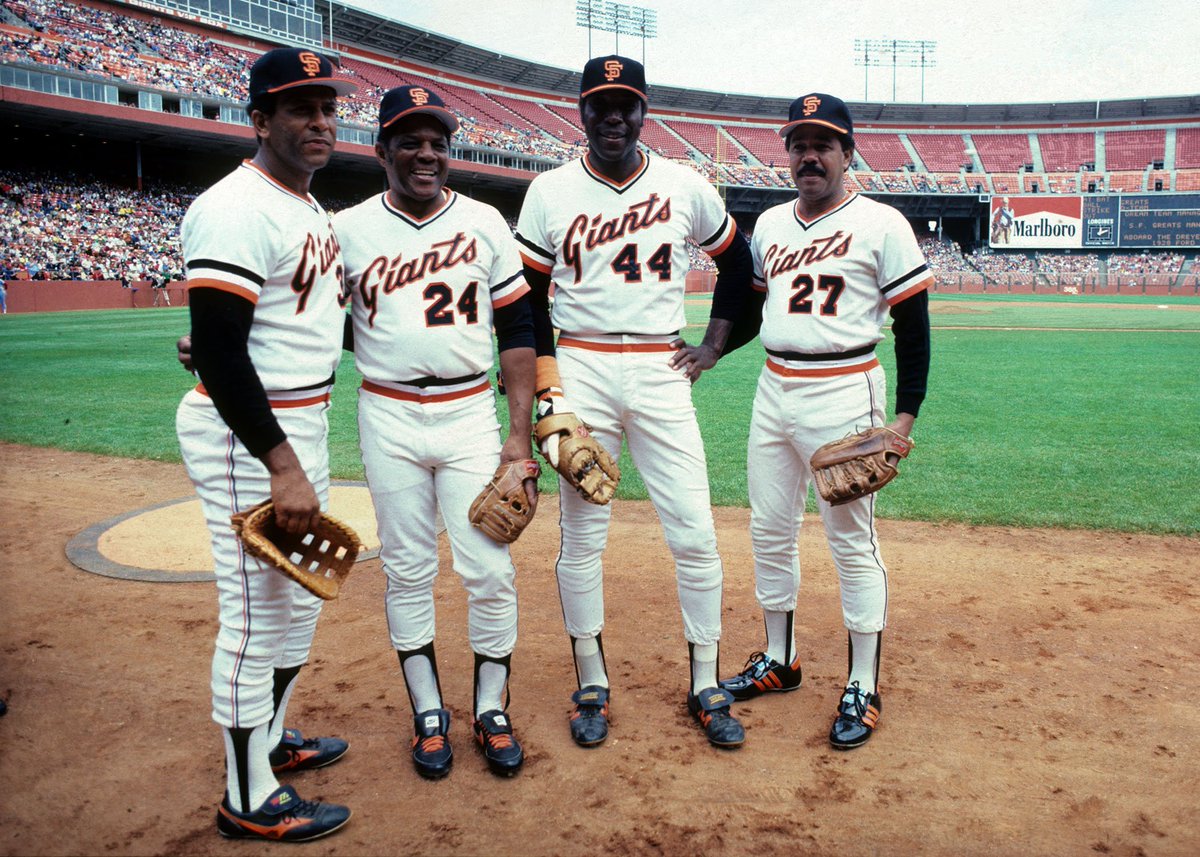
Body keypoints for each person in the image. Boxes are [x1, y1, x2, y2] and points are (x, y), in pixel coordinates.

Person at [515, 55, 757, 749]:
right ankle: (590, 679)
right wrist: (549, 384)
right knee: (582, 534)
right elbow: (528, 296)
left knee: (694, 531)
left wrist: (713, 344)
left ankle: (705, 679)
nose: (613, 115)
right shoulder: (551, 191)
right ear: (582, 111)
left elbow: (737, 265)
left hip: (659, 365)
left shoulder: (686, 184)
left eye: (625, 104)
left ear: (644, 109)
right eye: (600, 104)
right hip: (582, 363)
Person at [173, 47, 358, 841]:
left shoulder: (307, 206)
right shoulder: (237, 205)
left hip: (295, 419)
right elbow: (218, 349)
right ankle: (247, 796)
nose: (318, 121)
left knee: (296, 602)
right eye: (298, 109)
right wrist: (281, 465)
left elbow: (262, 326)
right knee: (254, 614)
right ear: (259, 121)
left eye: (326, 108)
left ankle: (272, 739)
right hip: (245, 435)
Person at [711, 93, 932, 750]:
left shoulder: (882, 223)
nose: (809, 155)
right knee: (769, 529)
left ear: (847, 153)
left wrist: (902, 420)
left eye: (823, 144)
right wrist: (712, 347)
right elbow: (756, 312)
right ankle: (781, 659)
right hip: (774, 389)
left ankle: (863, 679)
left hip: (846, 389)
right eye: (799, 144)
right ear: (788, 153)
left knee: (851, 540)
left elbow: (914, 330)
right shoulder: (773, 224)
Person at [333, 86, 538, 779]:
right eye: (411, 139)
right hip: (386, 411)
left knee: (488, 567)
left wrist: (519, 436)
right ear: (381, 148)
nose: (427, 153)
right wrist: (216, 342)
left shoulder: (484, 222)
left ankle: (490, 709)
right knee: (407, 568)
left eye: (438, 141)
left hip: (468, 413)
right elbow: (311, 324)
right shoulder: (348, 228)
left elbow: (517, 332)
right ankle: (428, 712)